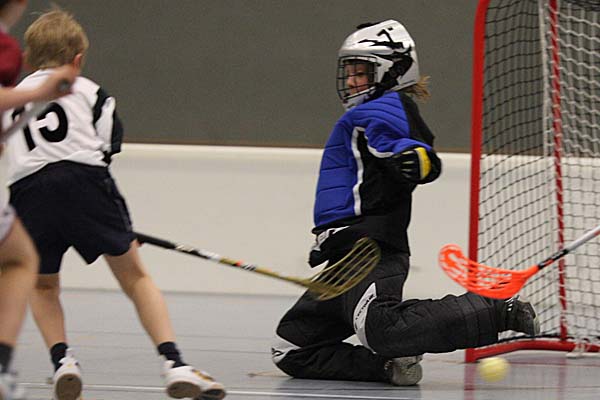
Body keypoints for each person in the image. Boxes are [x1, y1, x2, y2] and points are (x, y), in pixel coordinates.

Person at [271, 20, 539, 386]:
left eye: (361, 72)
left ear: (392, 71)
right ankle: (390, 367)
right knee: (292, 349)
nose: (351, 81)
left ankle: (498, 312)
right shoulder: (367, 112)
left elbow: (399, 144)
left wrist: (415, 158)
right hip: (344, 261)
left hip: (369, 252)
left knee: (381, 329)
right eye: (349, 72)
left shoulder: (382, 108)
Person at [3, 9, 226, 400]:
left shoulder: (15, 97)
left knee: (43, 284)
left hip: (28, 192)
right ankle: (174, 363)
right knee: (135, 276)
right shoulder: (93, 93)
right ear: (77, 59)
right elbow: (103, 153)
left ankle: (63, 362)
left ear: (28, 57)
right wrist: (107, 222)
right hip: (87, 184)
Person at [0, 2, 78, 399]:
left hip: (27, 193)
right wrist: (41, 93)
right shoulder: (5, 50)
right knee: (19, 262)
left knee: (20, 259)